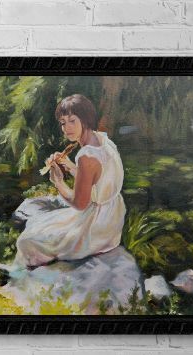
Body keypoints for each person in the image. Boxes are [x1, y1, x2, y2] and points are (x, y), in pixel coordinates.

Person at [13, 94, 127, 269]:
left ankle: (27, 281)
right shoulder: (103, 140)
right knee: (40, 224)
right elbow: (97, 180)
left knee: (27, 239)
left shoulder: (86, 155)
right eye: (63, 122)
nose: (67, 128)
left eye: (72, 120)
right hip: (112, 216)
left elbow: (80, 203)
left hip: (96, 227)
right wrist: (69, 165)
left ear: (85, 119)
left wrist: (58, 182)